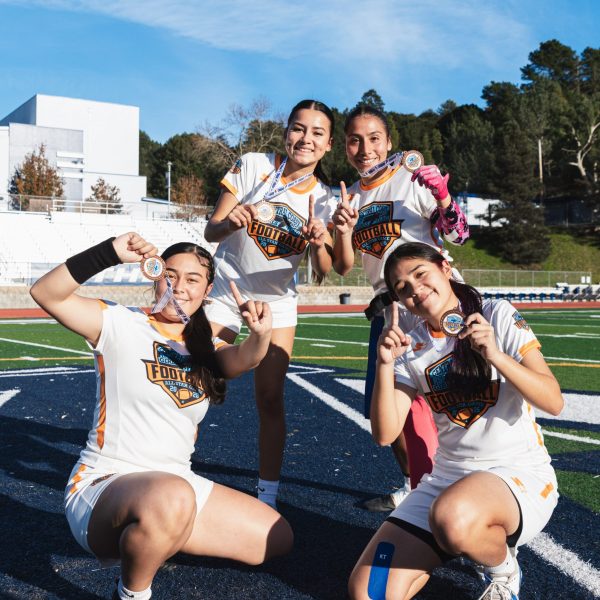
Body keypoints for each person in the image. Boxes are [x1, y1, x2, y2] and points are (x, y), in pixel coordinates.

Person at [30, 233, 293, 600]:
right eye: (170, 275)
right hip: (105, 482)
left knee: (276, 537)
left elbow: (246, 358)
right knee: (173, 496)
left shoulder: (206, 347)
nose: (179, 287)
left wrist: (260, 335)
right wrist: (110, 252)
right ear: (154, 275)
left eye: (192, 279)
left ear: (208, 290)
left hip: (174, 486)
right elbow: (45, 293)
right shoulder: (119, 322)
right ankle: (132, 592)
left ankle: (157, 533)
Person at [348, 242, 562, 600]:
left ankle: (503, 569)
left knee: (452, 517)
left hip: (517, 474)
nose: (415, 289)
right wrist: (384, 363)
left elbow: (553, 400)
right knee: (369, 592)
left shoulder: (496, 314)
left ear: (445, 268)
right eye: (402, 287)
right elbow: (385, 434)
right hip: (447, 480)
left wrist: (496, 355)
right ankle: (459, 536)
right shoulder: (409, 347)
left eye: (421, 274)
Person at [333, 104, 470, 511]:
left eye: (374, 138)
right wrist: (342, 230)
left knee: (457, 397)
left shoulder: (412, 178)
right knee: (387, 411)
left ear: (389, 141)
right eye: (355, 140)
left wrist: (443, 196)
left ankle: (468, 487)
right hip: (390, 309)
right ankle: (418, 487)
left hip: (435, 302)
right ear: (345, 146)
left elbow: (459, 235)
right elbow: (342, 266)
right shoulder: (349, 196)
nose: (365, 149)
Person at [203, 99, 338, 508]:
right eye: (299, 128)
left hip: (277, 301)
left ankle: (268, 497)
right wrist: (230, 222)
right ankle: (171, 469)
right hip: (227, 289)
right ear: (286, 132)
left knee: (269, 398)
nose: (306, 139)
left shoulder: (326, 198)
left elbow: (323, 271)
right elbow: (211, 231)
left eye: (317, 133)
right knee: (198, 378)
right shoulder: (253, 164)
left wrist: (320, 243)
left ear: (328, 144)